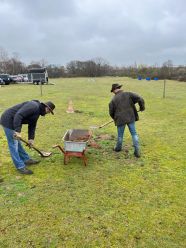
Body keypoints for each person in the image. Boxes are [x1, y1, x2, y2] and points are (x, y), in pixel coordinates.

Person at [0, 100, 55, 174]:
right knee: (13, 144)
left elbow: (32, 126)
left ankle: (26, 159)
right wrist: (18, 131)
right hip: (8, 120)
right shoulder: (33, 106)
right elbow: (18, 115)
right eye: (49, 111)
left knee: (17, 143)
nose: (47, 113)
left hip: (14, 121)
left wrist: (31, 139)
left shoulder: (37, 112)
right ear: (46, 108)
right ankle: (20, 167)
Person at [109, 83, 145, 157]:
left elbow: (111, 112)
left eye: (113, 91)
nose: (113, 92)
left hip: (120, 120)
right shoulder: (129, 94)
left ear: (115, 90)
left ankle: (118, 148)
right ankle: (137, 151)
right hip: (130, 117)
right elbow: (140, 98)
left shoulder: (113, 100)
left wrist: (115, 118)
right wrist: (142, 107)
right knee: (134, 134)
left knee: (120, 136)